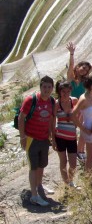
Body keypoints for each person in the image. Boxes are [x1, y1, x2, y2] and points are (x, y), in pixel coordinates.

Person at [18, 76, 56, 206]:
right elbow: (21, 118)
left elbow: (51, 119)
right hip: (31, 138)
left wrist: (52, 136)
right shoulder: (31, 100)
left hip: (44, 138)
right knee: (33, 167)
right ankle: (34, 195)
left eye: (49, 87)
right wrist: (22, 137)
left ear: (52, 88)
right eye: (44, 87)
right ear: (40, 87)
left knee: (42, 164)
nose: (46, 89)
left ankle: (39, 186)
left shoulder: (51, 101)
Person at [72, 76, 92, 175]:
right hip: (88, 130)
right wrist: (83, 129)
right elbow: (73, 115)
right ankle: (88, 179)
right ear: (91, 86)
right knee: (91, 156)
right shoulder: (83, 99)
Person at [54, 81, 79, 189]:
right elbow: (52, 120)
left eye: (68, 91)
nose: (66, 93)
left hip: (72, 136)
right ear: (59, 91)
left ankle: (71, 180)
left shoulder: (74, 100)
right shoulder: (56, 103)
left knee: (73, 163)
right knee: (63, 161)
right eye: (63, 91)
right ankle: (67, 184)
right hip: (60, 136)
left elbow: (79, 114)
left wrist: (77, 125)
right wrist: (53, 139)